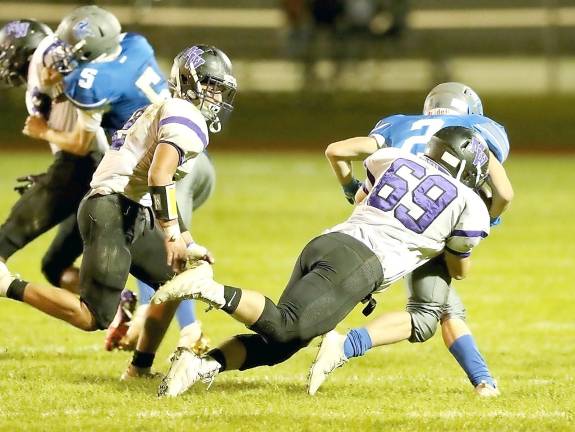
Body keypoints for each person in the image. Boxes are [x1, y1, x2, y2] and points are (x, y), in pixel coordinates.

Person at [149, 125, 492, 397]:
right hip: (361, 263)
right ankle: (210, 289)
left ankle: (200, 366)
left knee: (283, 344)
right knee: (285, 325)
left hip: (328, 243)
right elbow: (458, 268)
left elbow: (361, 196)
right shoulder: (469, 202)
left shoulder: (397, 159)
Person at [0, 43, 237, 360]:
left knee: (180, 281)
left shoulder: (166, 109)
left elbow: (153, 182)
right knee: (92, 316)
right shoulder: (182, 115)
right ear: (189, 83)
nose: (217, 97)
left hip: (130, 207)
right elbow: (159, 177)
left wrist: (186, 240)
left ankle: (140, 366)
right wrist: (171, 235)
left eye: (220, 89)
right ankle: (6, 284)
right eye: (211, 87)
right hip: (110, 208)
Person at [310, 82, 514, 397]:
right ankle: (346, 344)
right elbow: (504, 193)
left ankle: (484, 382)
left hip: (374, 221)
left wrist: (351, 188)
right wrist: (490, 218)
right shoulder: (475, 130)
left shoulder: (401, 125)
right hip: (429, 223)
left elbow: (338, 150)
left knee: (446, 307)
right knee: (425, 314)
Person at [0, 18, 108, 291]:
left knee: (5, 239)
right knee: (55, 265)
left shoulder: (45, 53)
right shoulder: (43, 65)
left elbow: (69, 54)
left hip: (82, 165)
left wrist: (65, 71)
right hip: (95, 173)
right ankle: (121, 311)